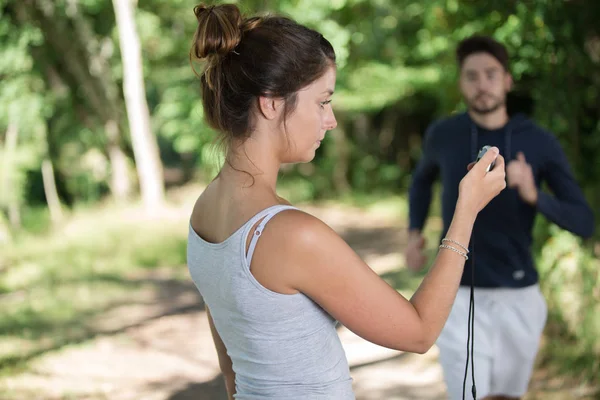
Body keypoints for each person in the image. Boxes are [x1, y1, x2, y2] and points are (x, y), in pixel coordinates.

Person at [186, 4, 506, 399]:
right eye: (322, 101)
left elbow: (232, 366)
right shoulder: (290, 234)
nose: (331, 119)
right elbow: (420, 331)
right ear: (270, 103)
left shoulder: (205, 209)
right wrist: (467, 210)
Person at [406, 35, 595, 400]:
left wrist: (534, 194)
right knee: (465, 395)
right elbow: (420, 183)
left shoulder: (538, 141)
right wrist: (414, 232)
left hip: (518, 293)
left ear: (508, 80)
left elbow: (583, 221)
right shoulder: (443, 135)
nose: (482, 85)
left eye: (491, 74)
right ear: (460, 83)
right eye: (472, 76)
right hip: (456, 292)